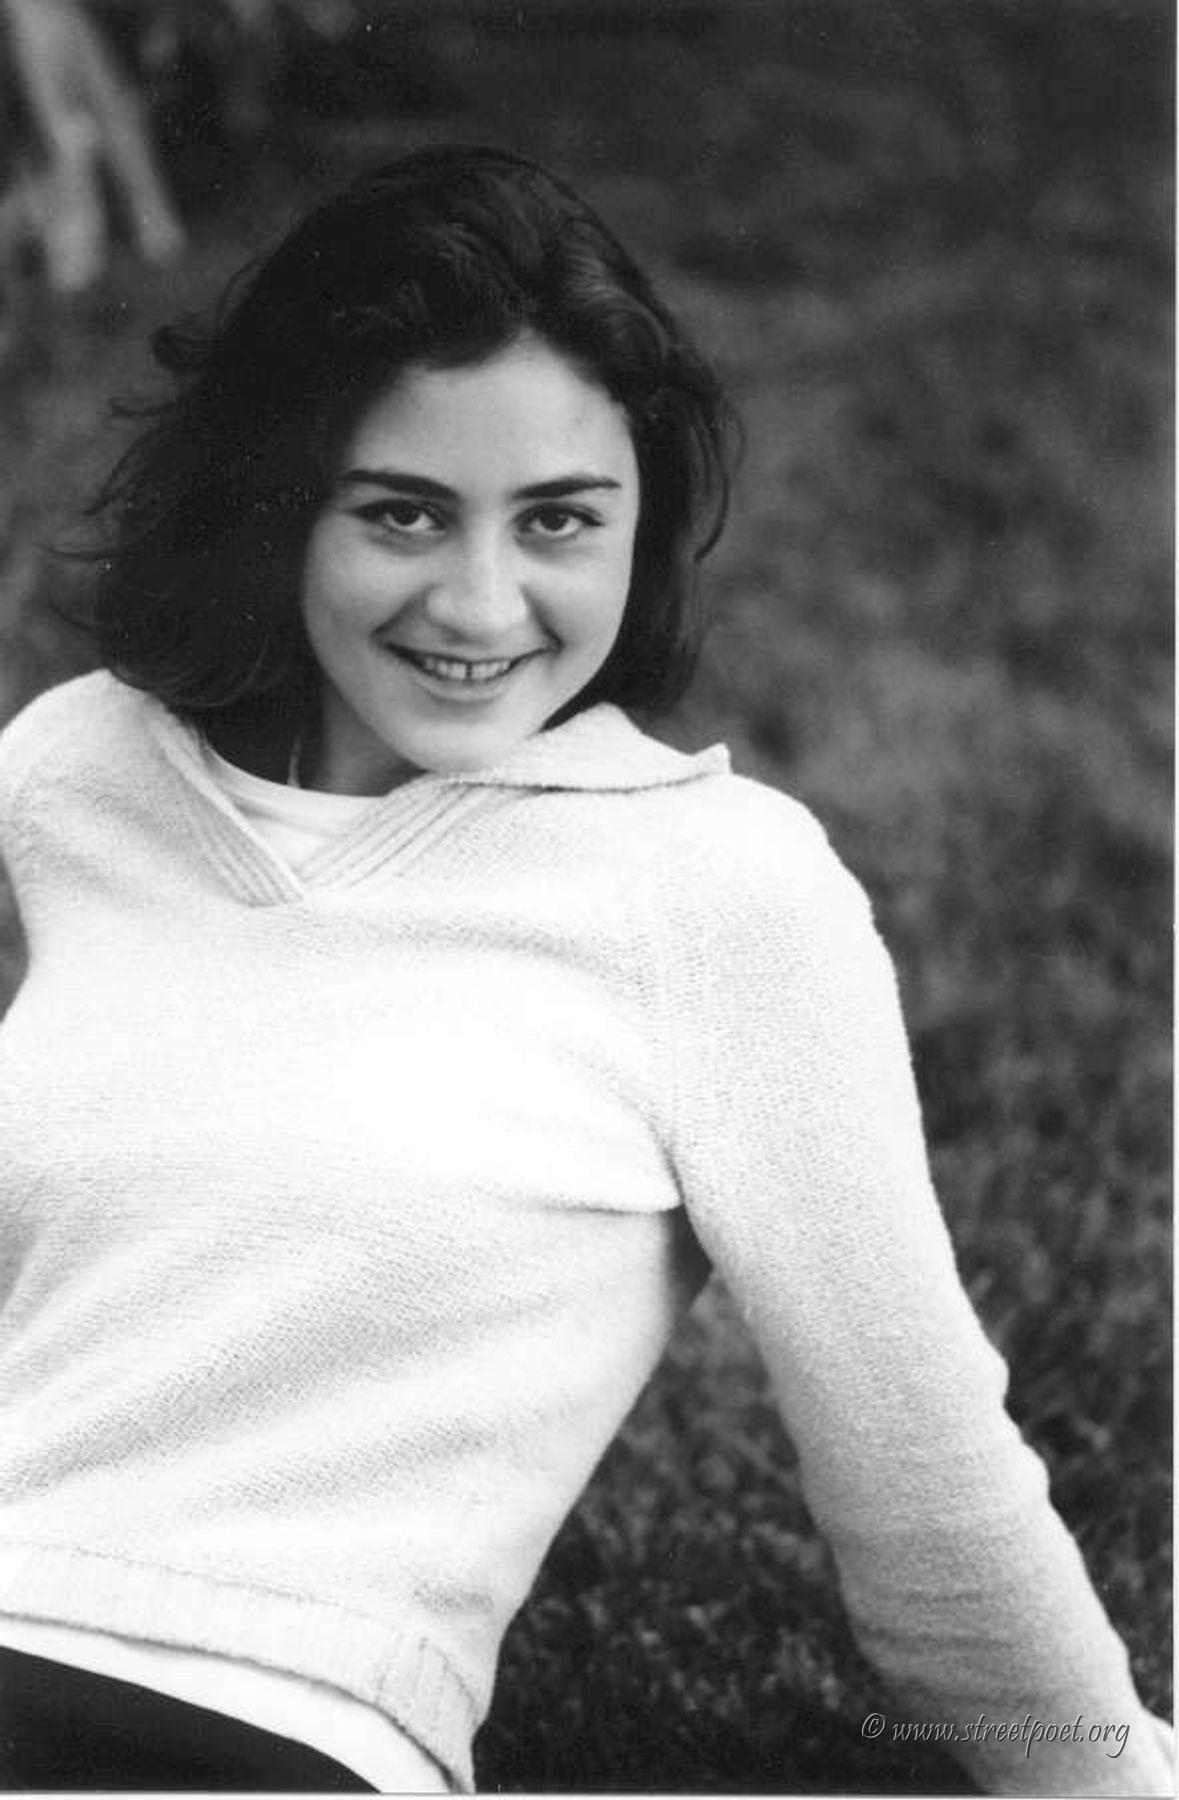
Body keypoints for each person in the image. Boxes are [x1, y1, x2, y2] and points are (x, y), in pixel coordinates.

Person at [0, 145, 1170, 1797]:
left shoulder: (719, 895)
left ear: (642, 527)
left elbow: (926, 1490)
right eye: (402, 511)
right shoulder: (77, 774)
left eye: (557, 520)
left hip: (265, 1729)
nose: (482, 602)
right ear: (276, 499)